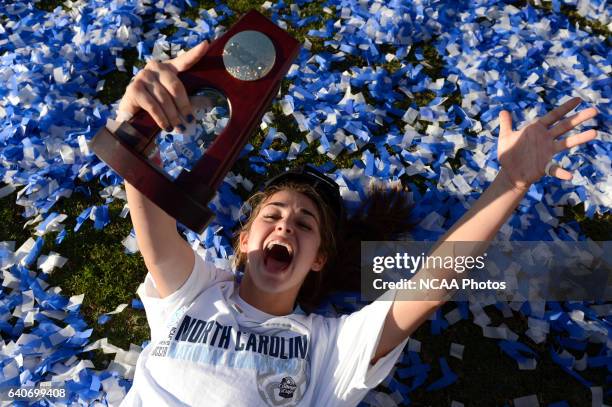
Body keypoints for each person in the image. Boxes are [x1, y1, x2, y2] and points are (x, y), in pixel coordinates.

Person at [115, 41, 599, 406]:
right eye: (273, 215)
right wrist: (140, 115)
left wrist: (510, 183)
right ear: (244, 240)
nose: (285, 227)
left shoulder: (328, 346)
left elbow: (430, 288)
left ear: (319, 257)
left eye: (305, 224)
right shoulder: (196, 291)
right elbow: (142, 191)